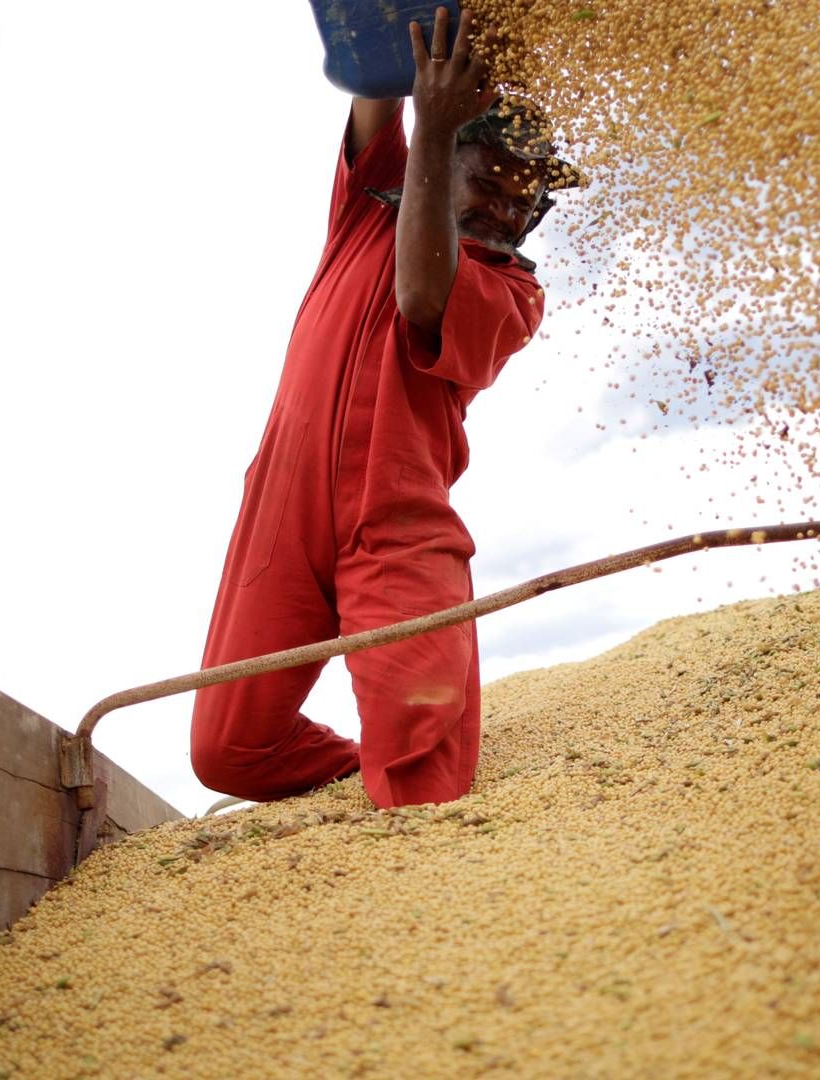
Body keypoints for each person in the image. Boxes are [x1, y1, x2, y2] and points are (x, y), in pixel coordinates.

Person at [190, 7, 579, 808]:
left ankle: (404, 803)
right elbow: (376, 90)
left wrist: (438, 130)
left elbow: (420, 295)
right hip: (281, 509)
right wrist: (416, 64)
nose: (512, 202)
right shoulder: (370, 207)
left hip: (396, 524)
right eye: (497, 174)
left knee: (423, 783)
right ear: (452, 158)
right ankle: (359, 776)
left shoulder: (514, 292)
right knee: (227, 751)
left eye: (528, 192)